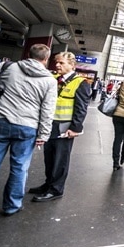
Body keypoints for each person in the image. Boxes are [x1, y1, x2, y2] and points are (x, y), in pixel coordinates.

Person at [0, 45, 57, 218]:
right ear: (46, 59)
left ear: (28, 55)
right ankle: (11, 206)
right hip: (27, 127)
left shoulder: (10, 67)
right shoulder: (50, 81)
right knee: (19, 168)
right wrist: (43, 135)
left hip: (0, 123)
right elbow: (47, 110)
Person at [29, 52, 91, 202]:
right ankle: (48, 183)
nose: (57, 65)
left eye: (61, 63)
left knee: (60, 159)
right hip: (50, 125)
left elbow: (81, 108)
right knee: (49, 157)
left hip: (65, 127)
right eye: (56, 62)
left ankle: (56, 189)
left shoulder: (81, 83)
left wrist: (75, 128)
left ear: (72, 65)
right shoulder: (54, 79)